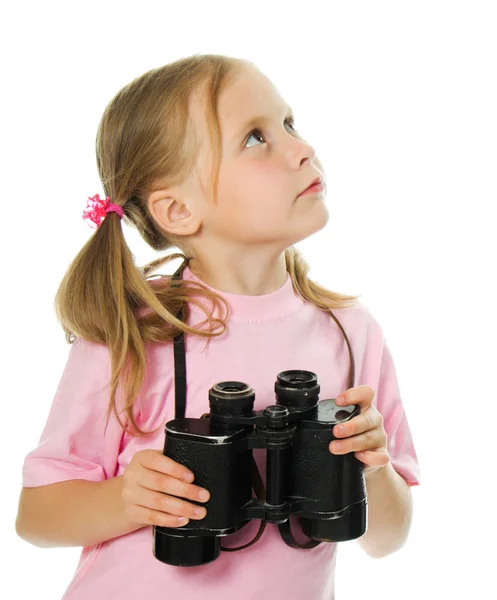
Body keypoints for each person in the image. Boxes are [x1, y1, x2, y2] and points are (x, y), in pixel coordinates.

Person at [14, 53, 420, 600]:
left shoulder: (350, 332)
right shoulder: (136, 332)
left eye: (290, 124)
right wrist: (125, 500)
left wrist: (372, 468)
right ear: (177, 210)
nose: (303, 149)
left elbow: (389, 538)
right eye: (256, 138)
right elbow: (36, 516)